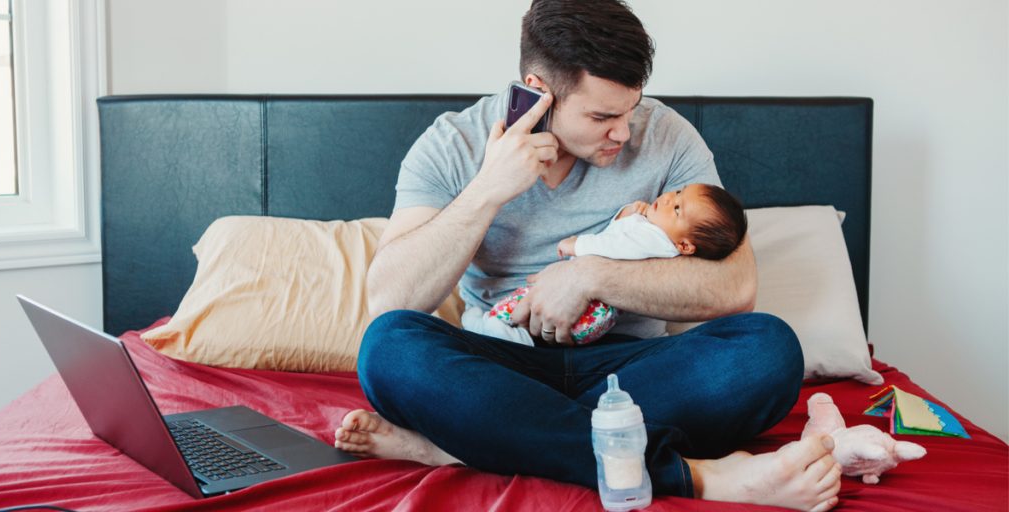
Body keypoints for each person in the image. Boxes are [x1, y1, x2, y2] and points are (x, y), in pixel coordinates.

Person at [336, 1, 842, 510]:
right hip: (502, 367)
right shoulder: (452, 145)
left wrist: (589, 275)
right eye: (602, 116)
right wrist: (487, 190)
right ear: (538, 91)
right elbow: (390, 298)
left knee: (767, 349)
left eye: (630, 109)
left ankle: (472, 444)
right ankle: (693, 477)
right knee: (388, 347)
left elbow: (736, 288)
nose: (623, 132)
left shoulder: (667, 136)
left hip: (630, 369)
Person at [466, 183, 749, 346]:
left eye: (676, 209)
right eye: (677, 193)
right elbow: (619, 234)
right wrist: (629, 214)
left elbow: (613, 246)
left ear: (685, 246)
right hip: (598, 321)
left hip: (593, 312)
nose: (667, 199)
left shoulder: (654, 239)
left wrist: (577, 245)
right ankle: (508, 336)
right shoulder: (657, 234)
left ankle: (494, 326)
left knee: (527, 300)